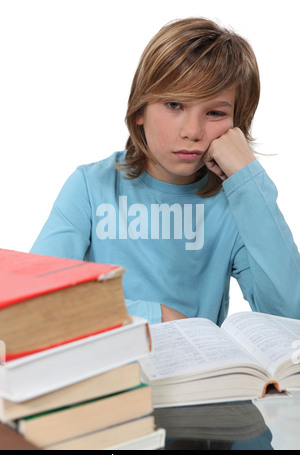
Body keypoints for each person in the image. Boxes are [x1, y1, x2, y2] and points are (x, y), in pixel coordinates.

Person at [30, 17, 300, 324]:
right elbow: (37, 297)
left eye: (215, 112)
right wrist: (153, 316)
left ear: (236, 124)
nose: (193, 131)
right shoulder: (91, 187)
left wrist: (247, 179)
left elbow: (290, 317)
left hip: (199, 370)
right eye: (174, 104)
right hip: (109, 366)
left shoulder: (236, 204)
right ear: (141, 109)